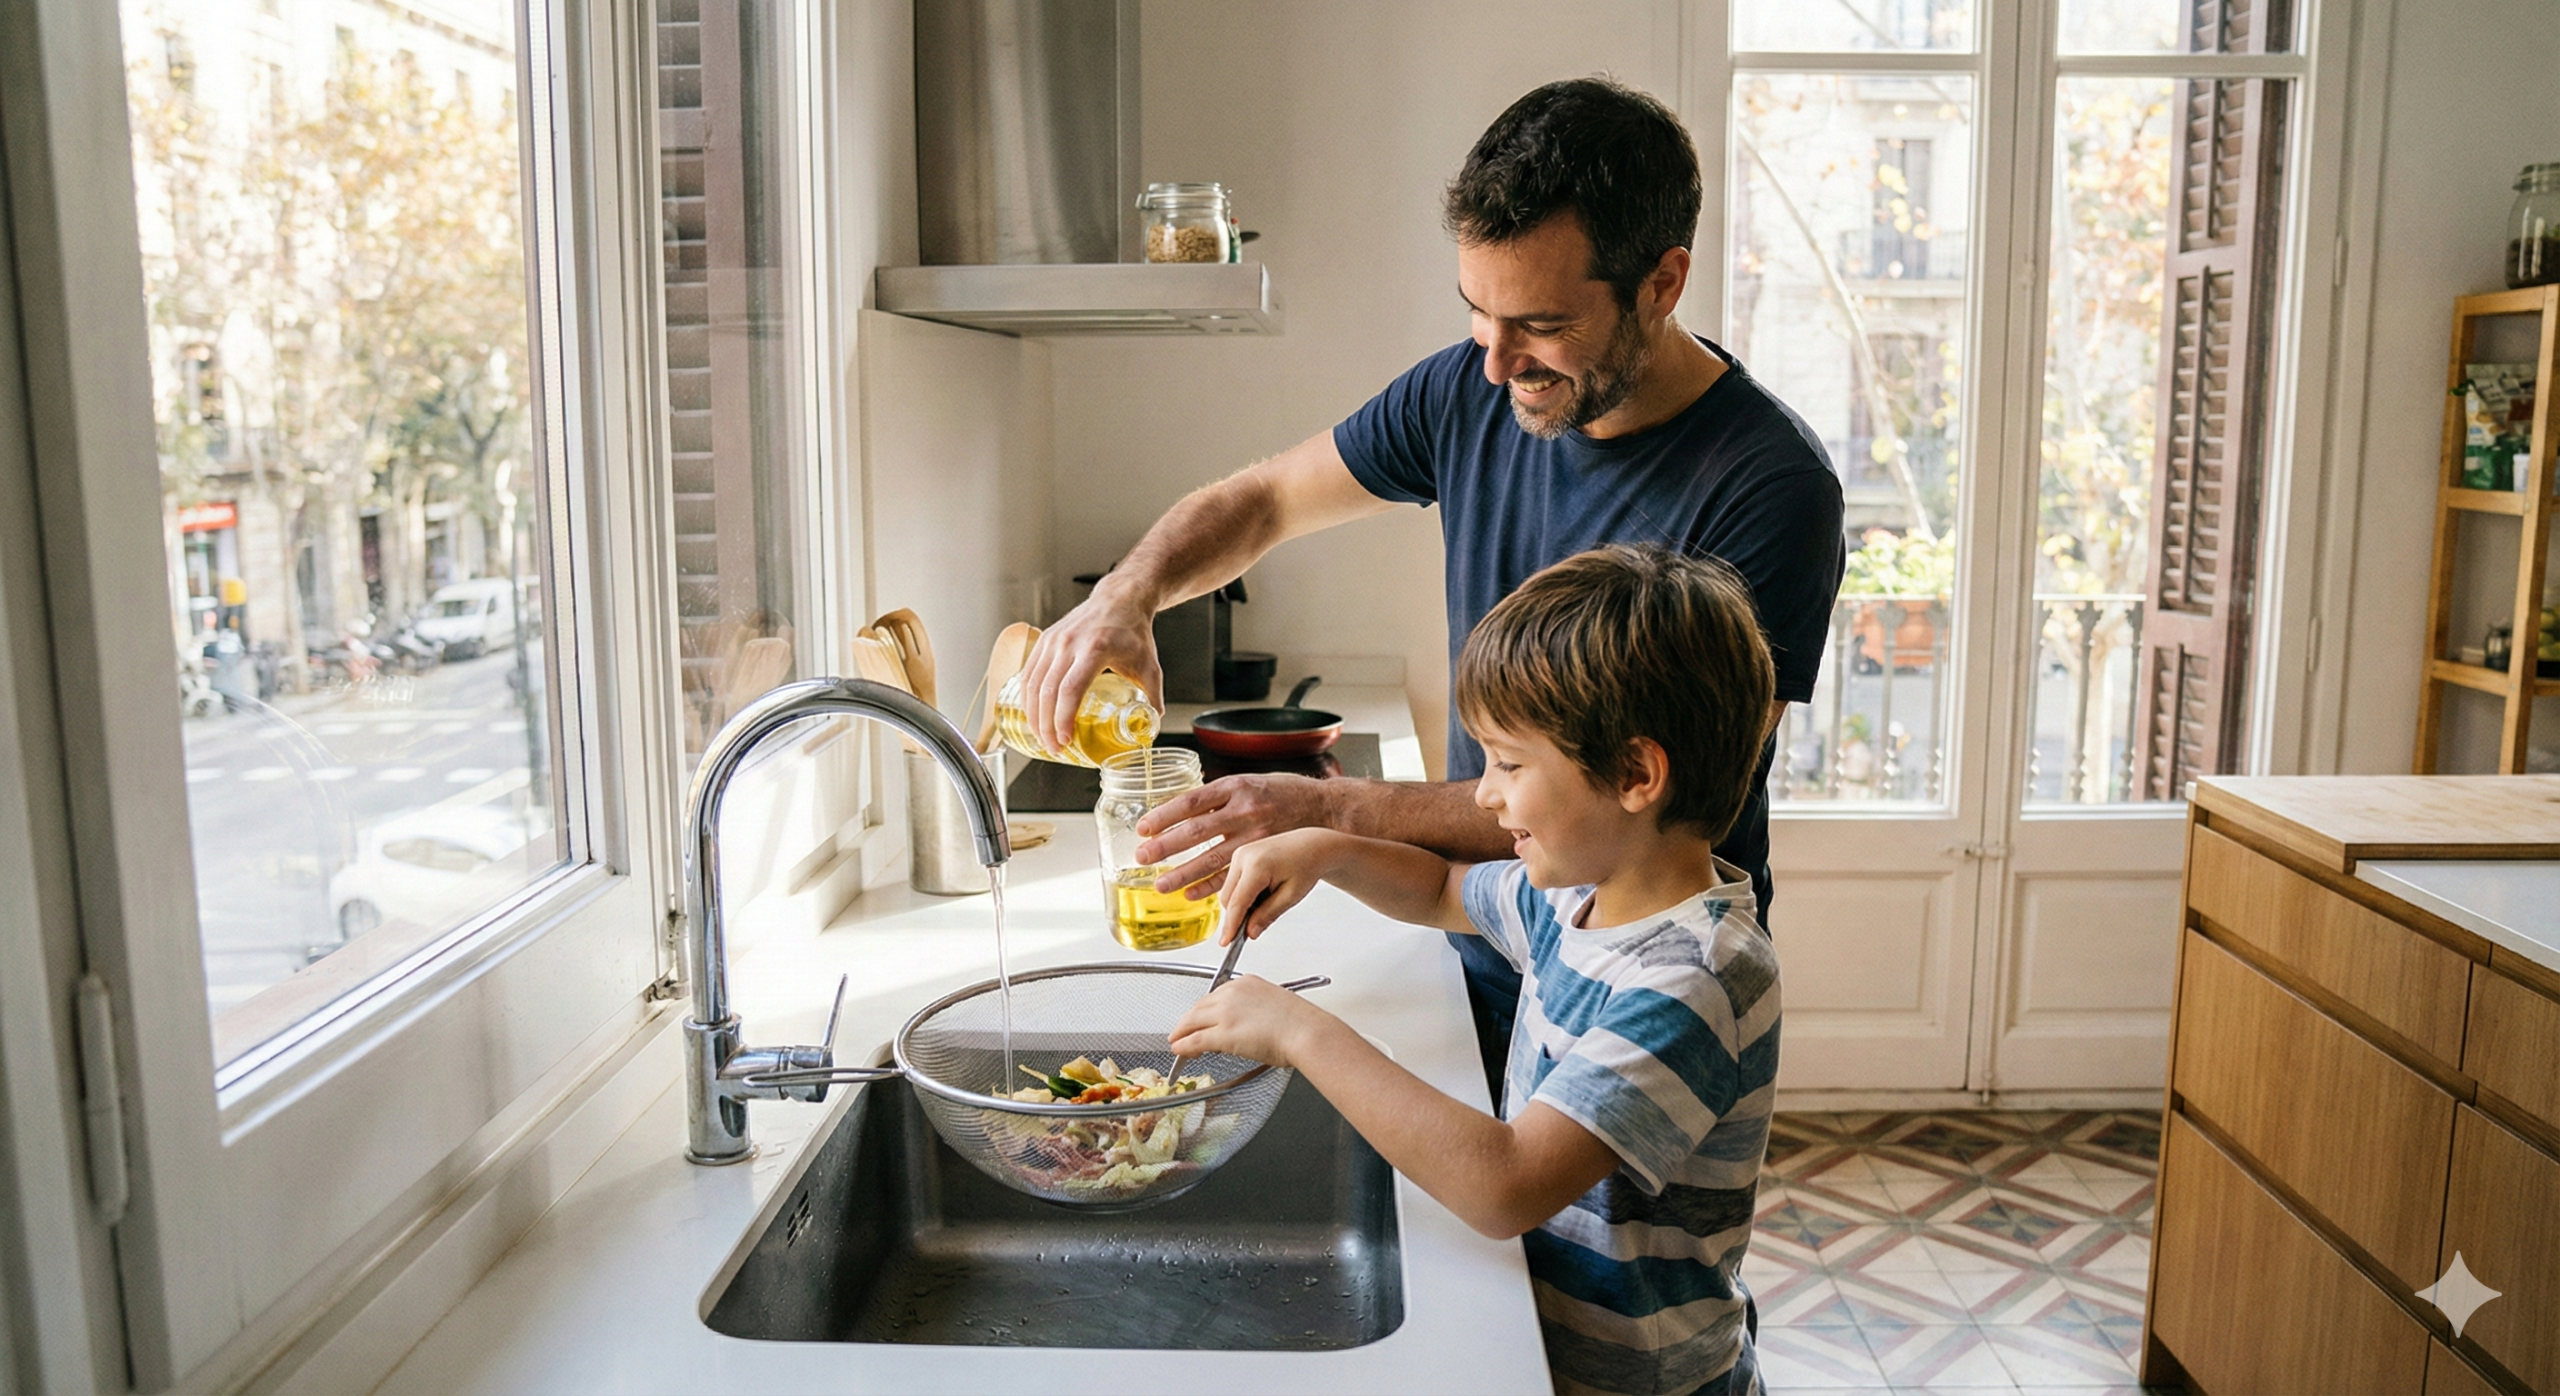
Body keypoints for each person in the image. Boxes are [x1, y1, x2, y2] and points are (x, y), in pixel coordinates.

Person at [1021, 76, 1841, 1095]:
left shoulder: (1770, 488)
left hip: (1637, 980)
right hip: (1493, 924)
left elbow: (1668, 798)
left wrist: (1327, 810)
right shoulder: (1472, 385)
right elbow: (1269, 499)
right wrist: (1130, 594)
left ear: (1661, 284)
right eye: (1476, 314)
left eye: (1539, 324)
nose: (1496, 366)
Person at [1171, 544, 1780, 1396]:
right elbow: (1443, 889)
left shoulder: (1693, 979)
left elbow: (1506, 1184)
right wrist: (1329, 848)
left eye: (1508, 762)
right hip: (1546, 1344)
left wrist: (1301, 1032)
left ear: (1637, 774)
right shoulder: (1580, 898)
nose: (1485, 797)